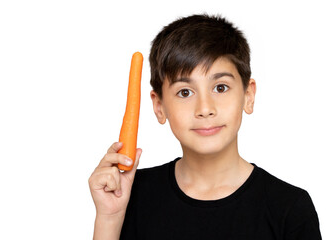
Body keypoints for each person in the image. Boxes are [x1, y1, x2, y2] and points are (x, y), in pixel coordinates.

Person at [88, 14, 322, 239]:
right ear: (159, 106)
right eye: (185, 92)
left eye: (220, 87)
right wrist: (109, 218)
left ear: (248, 96)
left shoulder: (289, 208)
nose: (205, 108)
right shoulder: (130, 196)